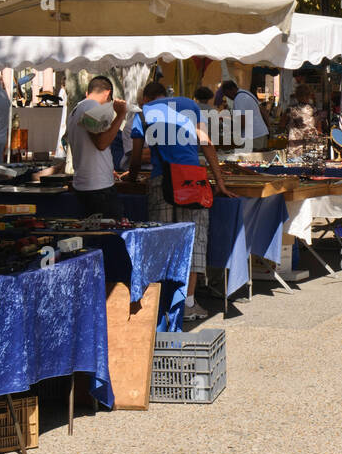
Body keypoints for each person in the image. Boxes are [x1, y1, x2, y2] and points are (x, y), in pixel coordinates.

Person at [126, 80, 231, 321]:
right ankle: (188, 303)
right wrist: (219, 181)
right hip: (191, 182)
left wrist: (130, 178)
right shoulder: (189, 106)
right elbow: (206, 143)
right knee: (193, 242)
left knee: (160, 243)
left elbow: (134, 158)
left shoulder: (142, 114)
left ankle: (159, 305)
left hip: (159, 181)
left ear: (146, 99)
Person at [68, 75, 129, 219]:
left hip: (86, 184)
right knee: (110, 233)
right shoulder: (92, 106)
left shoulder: (76, 110)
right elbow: (101, 143)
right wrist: (120, 115)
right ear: (108, 93)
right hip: (98, 188)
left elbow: (92, 146)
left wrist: (106, 167)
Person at [219, 80, 271, 151]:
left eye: (226, 94)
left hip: (253, 137)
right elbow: (263, 111)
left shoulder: (238, 99)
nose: (227, 97)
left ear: (231, 89)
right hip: (261, 133)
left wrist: (229, 129)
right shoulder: (247, 93)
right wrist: (268, 127)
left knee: (253, 160)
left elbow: (242, 123)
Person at [285, 84, 322, 155]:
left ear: (296, 96)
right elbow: (319, 128)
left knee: (294, 163)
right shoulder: (314, 109)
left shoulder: (290, 109)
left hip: (295, 143)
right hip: (310, 142)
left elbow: (282, 124)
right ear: (309, 95)